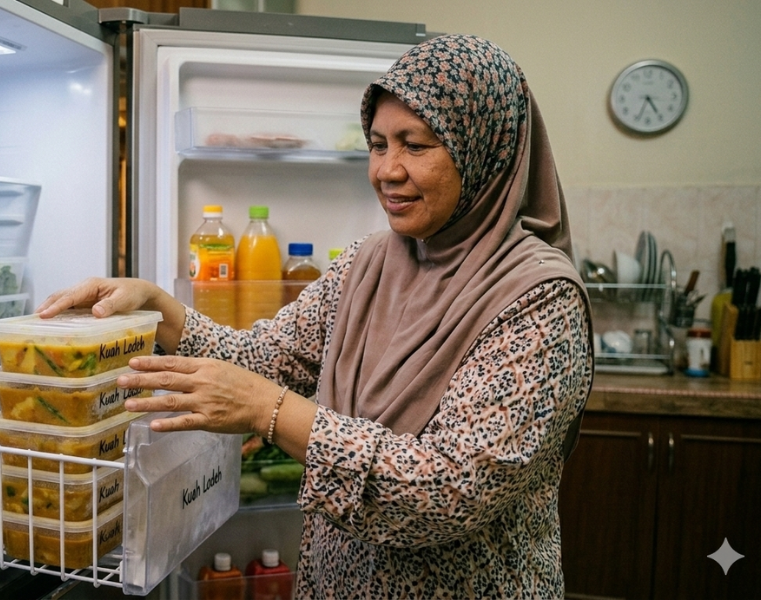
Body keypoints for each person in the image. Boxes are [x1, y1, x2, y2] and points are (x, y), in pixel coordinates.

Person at [37, 33, 593, 598]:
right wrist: (157, 307)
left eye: (416, 145)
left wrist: (267, 411)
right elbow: (265, 360)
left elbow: (448, 489)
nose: (387, 170)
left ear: (484, 148)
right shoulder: (368, 263)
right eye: (378, 144)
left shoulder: (540, 298)